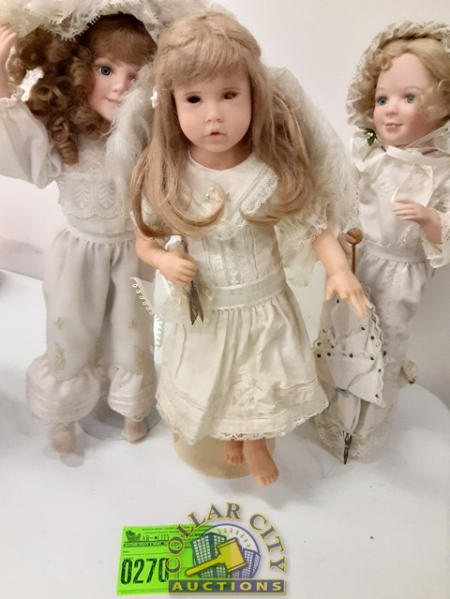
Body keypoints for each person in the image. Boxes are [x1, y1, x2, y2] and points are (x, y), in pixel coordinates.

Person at [131, 11, 369, 485]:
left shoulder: (268, 169)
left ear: (253, 95)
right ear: (172, 105)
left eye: (229, 95)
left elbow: (312, 223)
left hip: (262, 305)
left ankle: (255, 441)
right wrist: (164, 260)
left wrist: (338, 269)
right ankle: (231, 434)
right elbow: (144, 239)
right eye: (194, 99)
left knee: (260, 374)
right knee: (214, 376)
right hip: (208, 309)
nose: (213, 115)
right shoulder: (171, 173)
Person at [0, 12, 159, 454]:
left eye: (135, 75)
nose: (120, 86)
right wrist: (2, 81)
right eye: (105, 70)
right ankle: (64, 413)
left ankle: (131, 406)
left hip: (133, 250)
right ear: (76, 67)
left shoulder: (146, 132)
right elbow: (15, 144)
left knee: (132, 330)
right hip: (76, 253)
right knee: (69, 330)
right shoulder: (63, 132)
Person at [324, 21, 450, 457]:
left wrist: (431, 220)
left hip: (402, 272)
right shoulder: (370, 156)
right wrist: (341, 235)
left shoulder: (440, 171)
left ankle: (367, 429)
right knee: (344, 336)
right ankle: (336, 419)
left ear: (443, 104)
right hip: (358, 262)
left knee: (387, 343)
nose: (390, 110)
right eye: (382, 99)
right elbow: (344, 195)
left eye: (408, 98)